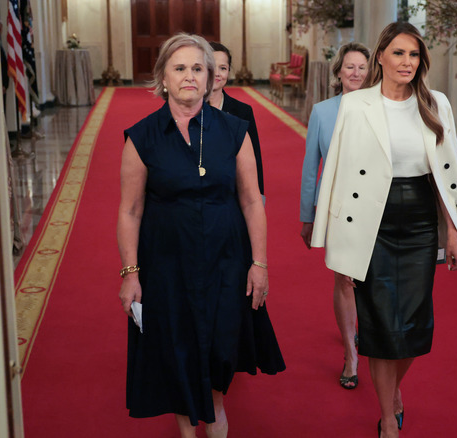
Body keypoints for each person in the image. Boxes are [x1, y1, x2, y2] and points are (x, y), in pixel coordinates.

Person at [311, 22, 457, 438]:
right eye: (398, 53)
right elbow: (338, 173)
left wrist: (453, 232)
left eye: (414, 55)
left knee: (415, 325)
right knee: (381, 324)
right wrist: (334, 242)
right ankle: (388, 417)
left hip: (419, 219)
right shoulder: (356, 104)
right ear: (380, 56)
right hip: (370, 221)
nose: (406, 62)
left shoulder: (436, 103)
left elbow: (447, 174)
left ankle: (393, 390)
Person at [117, 33, 285, 438]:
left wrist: (259, 263)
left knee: (219, 350)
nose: (189, 76)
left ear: (210, 77)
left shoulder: (234, 129)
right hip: (166, 265)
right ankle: (191, 430)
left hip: (226, 262)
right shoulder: (141, 137)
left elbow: (251, 201)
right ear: (163, 78)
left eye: (197, 68)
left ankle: (216, 417)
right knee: (178, 351)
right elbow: (130, 210)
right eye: (179, 68)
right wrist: (130, 272)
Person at [299, 42, 370, 390]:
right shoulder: (322, 112)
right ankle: (350, 355)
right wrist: (307, 215)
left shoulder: (384, 109)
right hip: (338, 209)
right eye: (350, 67)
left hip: (377, 210)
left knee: (371, 281)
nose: (356, 73)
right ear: (338, 72)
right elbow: (312, 167)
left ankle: (370, 336)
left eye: (362, 67)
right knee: (344, 280)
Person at [208, 42, 265, 197]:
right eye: (212, 67)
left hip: (233, 195)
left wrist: (258, 196)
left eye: (223, 68)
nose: (218, 73)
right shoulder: (188, 110)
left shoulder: (243, 111)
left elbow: (255, 161)